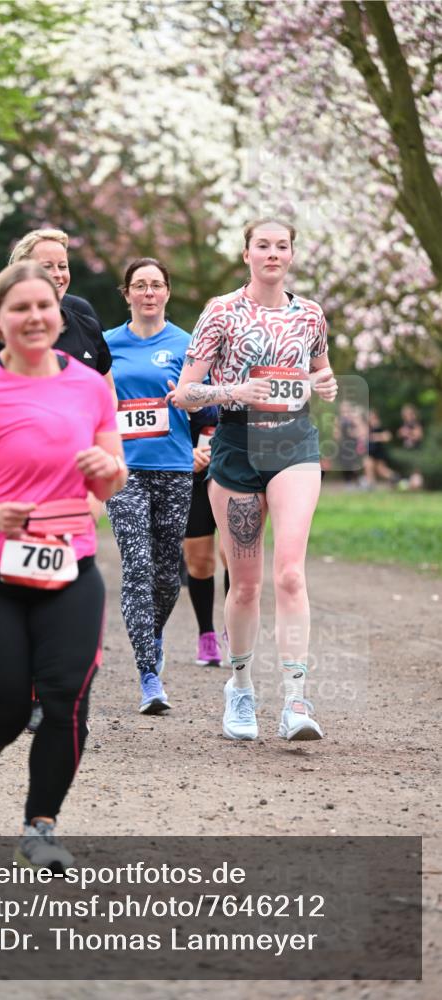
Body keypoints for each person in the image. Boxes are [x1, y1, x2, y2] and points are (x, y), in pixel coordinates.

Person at [0, 262, 126, 871]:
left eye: (45, 305)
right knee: (8, 706)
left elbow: (111, 473)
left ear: (59, 314)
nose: (35, 317)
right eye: (21, 308)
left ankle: (40, 826)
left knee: (66, 700)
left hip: (68, 564)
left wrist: (103, 480)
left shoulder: (88, 385)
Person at [168, 218, 338, 741]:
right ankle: (240, 688)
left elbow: (319, 374)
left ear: (291, 255)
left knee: (290, 573)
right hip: (237, 447)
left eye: (281, 246)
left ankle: (295, 700)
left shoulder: (310, 315)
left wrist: (323, 383)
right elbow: (183, 393)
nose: (272, 254)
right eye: (262, 245)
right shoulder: (221, 312)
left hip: (293, 444)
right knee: (244, 584)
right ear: (246, 254)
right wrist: (232, 393)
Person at [105, 258, 194, 714]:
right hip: (124, 470)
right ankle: (148, 675)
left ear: (167, 292)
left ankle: (152, 635)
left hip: (175, 469)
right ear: (127, 294)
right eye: (139, 285)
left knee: (165, 577)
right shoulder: (106, 345)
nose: (148, 293)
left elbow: (207, 409)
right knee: (137, 568)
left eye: (156, 285)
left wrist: (207, 442)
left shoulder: (187, 343)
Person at [0, 227, 116, 403]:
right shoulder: (3, 327)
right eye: (47, 267)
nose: (58, 274)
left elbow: (108, 389)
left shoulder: (85, 318)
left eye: (62, 266)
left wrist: (101, 428)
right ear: (25, 271)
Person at [184, 405, 230, 667]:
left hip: (235, 473)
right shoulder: (187, 369)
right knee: (200, 561)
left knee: (232, 554)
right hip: (194, 474)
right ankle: (206, 634)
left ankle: (234, 632)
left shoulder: (242, 367)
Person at [363, 408, 397, 488]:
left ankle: (396, 478)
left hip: (378, 451)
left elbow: (388, 437)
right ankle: (370, 484)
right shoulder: (369, 427)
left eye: (370, 415)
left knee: (381, 470)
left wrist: (375, 437)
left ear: (375, 416)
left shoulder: (379, 425)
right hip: (371, 451)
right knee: (368, 464)